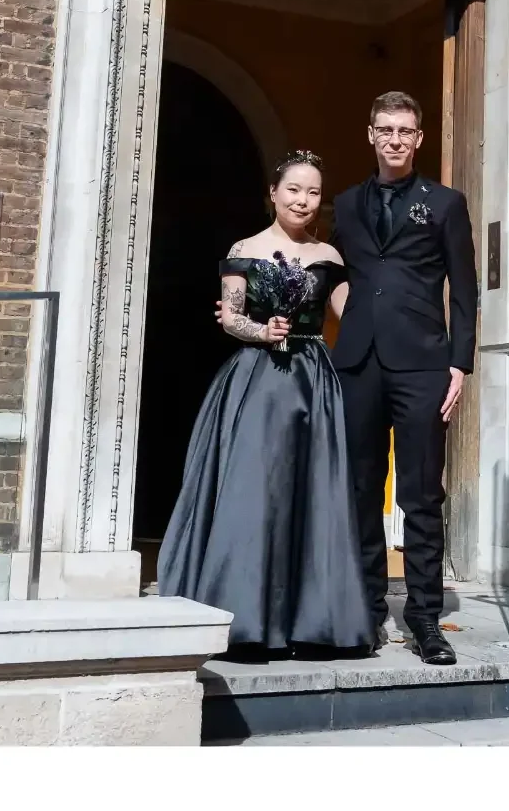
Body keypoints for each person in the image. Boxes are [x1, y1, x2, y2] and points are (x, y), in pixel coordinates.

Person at [159, 151, 372, 656]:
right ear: (273, 194)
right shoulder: (245, 248)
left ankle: (310, 622)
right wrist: (263, 330)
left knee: (311, 492)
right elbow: (231, 319)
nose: (303, 200)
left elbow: (355, 318)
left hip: (313, 381)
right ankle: (247, 618)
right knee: (256, 492)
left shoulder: (330, 257)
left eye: (314, 192)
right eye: (294, 189)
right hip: (258, 381)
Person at [329, 91, 478, 665]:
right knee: (363, 490)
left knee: (421, 493)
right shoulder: (344, 205)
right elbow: (329, 273)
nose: (394, 138)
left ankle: (424, 617)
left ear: (419, 139)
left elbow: (463, 291)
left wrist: (459, 363)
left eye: (405, 130)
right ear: (370, 134)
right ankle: (367, 611)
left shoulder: (444, 203)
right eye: (385, 129)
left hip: (423, 365)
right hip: (359, 364)